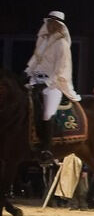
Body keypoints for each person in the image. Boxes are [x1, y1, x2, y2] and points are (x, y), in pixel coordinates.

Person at [24, 11, 82, 152]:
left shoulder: (62, 44)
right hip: (35, 79)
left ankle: (46, 148)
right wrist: (26, 72)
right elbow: (35, 60)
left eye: (53, 23)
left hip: (54, 84)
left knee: (47, 113)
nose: (49, 26)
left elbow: (61, 68)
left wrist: (47, 83)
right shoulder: (42, 41)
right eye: (48, 23)